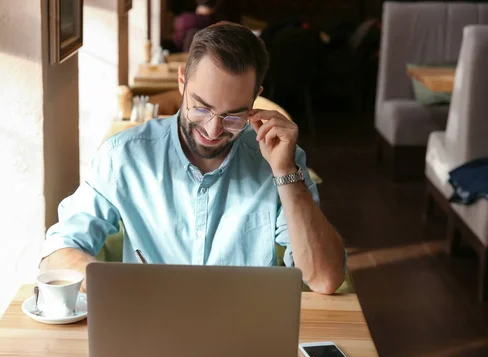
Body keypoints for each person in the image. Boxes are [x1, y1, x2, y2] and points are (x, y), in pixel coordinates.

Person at [40, 22, 346, 294]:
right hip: (148, 331)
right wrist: (121, 291)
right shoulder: (124, 156)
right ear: (182, 81)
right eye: (201, 107)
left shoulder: (279, 161)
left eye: (233, 117)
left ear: (254, 101)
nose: (213, 130)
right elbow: (58, 252)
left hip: (246, 335)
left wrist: (285, 174)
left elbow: (325, 279)